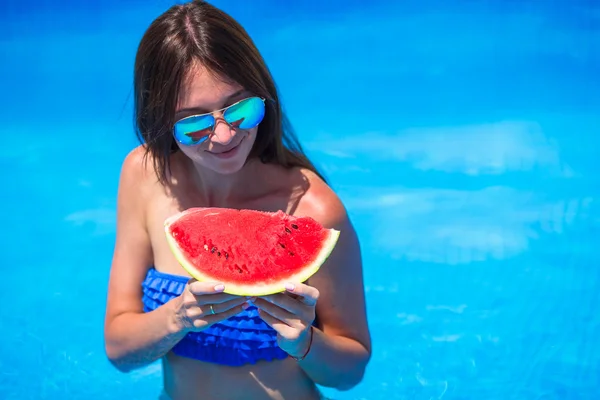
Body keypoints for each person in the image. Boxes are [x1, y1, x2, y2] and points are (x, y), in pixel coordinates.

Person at [103, 1, 371, 399]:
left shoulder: (313, 210)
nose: (225, 136)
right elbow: (119, 351)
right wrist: (176, 317)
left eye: (241, 109)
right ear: (160, 121)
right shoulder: (144, 176)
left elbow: (351, 372)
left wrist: (305, 344)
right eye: (194, 122)